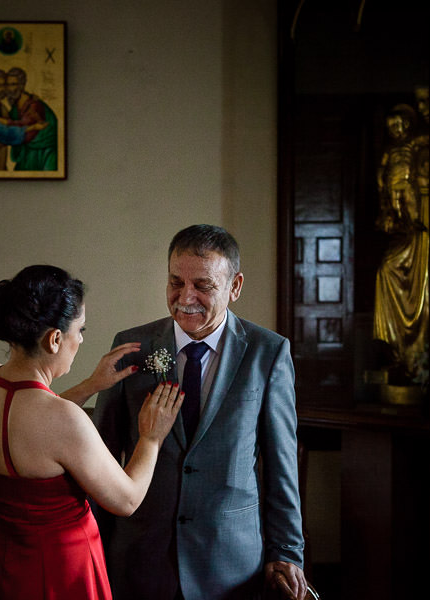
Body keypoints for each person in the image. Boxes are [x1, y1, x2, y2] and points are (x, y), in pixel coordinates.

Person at [93, 225, 307, 600]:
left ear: (235, 286)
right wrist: (93, 551)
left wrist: (287, 551)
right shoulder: (132, 348)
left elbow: (281, 466)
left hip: (229, 564)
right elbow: (102, 459)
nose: (184, 297)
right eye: (176, 282)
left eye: (203, 286)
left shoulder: (267, 353)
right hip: (141, 559)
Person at [0, 265, 183, 600]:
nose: (80, 339)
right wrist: (151, 438)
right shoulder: (62, 420)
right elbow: (127, 499)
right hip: (55, 573)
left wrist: (91, 385)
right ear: (54, 339)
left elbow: (27, 426)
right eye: (80, 330)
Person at [373, 103, 429, 381]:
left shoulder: (418, 148)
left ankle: (415, 356)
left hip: (417, 217)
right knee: (386, 269)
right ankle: (397, 351)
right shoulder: (389, 154)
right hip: (399, 217)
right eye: (391, 127)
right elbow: (383, 179)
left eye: (400, 126)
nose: (396, 132)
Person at [3, 67, 59, 171]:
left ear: (21, 85)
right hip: (26, 152)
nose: (10, 89)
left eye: (13, 84)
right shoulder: (15, 108)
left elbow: (24, 125)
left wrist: (0, 121)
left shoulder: (34, 105)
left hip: (42, 151)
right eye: (7, 85)